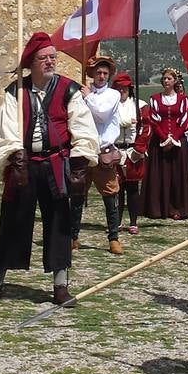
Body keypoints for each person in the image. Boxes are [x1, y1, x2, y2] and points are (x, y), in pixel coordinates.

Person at [0, 32, 98, 307]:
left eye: (53, 57)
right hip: (24, 165)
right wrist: (16, 160)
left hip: (56, 164)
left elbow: (83, 129)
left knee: (59, 224)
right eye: (44, 57)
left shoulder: (70, 90)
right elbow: (7, 128)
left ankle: (60, 286)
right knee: (12, 221)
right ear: (32, 62)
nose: (50, 61)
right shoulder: (16, 90)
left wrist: (78, 167)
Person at [82, 55, 126, 255]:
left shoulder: (113, 95)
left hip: (104, 152)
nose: (101, 76)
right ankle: (73, 236)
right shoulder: (83, 93)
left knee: (110, 196)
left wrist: (87, 96)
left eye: (105, 73)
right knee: (76, 195)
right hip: (84, 150)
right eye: (98, 72)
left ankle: (113, 238)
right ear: (92, 73)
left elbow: (101, 113)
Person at [142, 68, 188, 220]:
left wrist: (174, 139)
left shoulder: (183, 100)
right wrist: (163, 138)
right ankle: (158, 208)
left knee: (177, 176)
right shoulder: (154, 98)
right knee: (160, 175)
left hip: (178, 143)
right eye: (164, 78)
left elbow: (184, 120)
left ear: (175, 81)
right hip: (159, 142)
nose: (166, 81)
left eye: (169, 79)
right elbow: (153, 120)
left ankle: (177, 208)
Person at [113, 72, 145, 236]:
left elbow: (147, 128)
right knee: (116, 189)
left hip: (134, 151)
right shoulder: (109, 106)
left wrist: (139, 149)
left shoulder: (140, 106)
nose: (122, 91)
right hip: (115, 149)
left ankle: (133, 222)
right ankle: (115, 222)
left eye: (124, 88)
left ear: (129, 88)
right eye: (119, 88)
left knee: (133, 189)